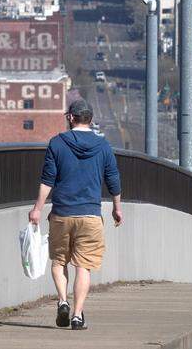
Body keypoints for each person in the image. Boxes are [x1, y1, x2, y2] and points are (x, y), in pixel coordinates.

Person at [28, 99, 122, 330]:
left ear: (71, 117)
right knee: (84, 266)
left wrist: (37, 209)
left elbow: (47, 180)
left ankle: (62, 301)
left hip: (62, 213)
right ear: (90, 119)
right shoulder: (103, 146)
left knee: (59, 261)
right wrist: (117, 208)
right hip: (90, 214)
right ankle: (78, 315)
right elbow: (113, 179)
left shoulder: (57, 144)